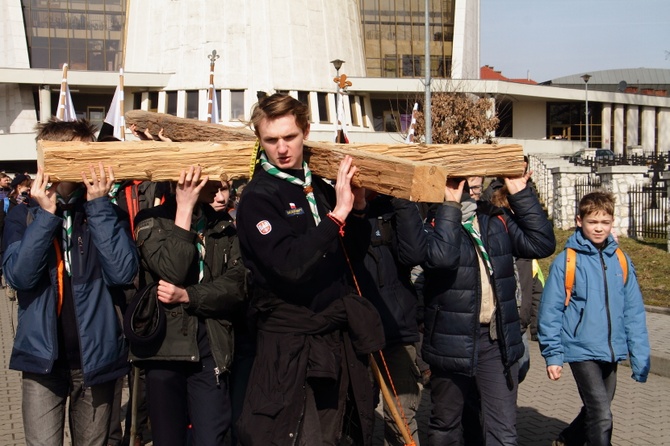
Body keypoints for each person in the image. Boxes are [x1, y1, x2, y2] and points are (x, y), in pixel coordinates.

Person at [235, 93, 384, 446]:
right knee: (299, 438)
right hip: (288, 344)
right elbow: (290, 265)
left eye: (290, 137)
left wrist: (358, 209)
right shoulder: (258, 197)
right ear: (260, 141)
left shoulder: (316, 185)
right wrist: (338, 215)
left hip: (333, 336)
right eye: (271, 140)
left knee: (335, 435)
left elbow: (350, 254)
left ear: (306, 131)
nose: (282, 148)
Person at [2, 118, 138, 446]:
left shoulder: (106, 212)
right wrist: (46, 217)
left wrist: (99, 207)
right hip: (42, 359)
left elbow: (123, 273)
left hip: (97, 358)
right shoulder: (24, 215)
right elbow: (19, 276)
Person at [422, 173, 555, 446]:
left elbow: (541, 243)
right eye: (464, 179)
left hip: (496, 340)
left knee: (503, 432)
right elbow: (443, 258)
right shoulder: (433, 222)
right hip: (451, 341)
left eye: (477, 178)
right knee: (446, 428)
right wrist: (451, 207)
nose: (473, 183)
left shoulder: (495, 219)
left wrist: (520, 192)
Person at [130, 165, 247, 446]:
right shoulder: (151, 220)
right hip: (165, 351)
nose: (221, 187)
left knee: (212, 438)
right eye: (213, 178)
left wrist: (189, 296)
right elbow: (172, 270)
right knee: (168, 439)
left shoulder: (221, 226)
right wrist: (183, 210)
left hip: (210, 350)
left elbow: (237, 286)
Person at [537, 190, 650, 446]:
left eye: (604, 222)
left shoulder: (621, 260)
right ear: (579, 221)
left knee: (597, 408)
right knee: (602, 414)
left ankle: (568, 439)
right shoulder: (567, 261)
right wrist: (553, 355)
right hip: (580, 349)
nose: (599, 229)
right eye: (592, 222)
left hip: (611, 349)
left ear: (612, 223)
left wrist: (640, 356)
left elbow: (633, 311)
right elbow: (550, 312)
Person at [354, 193, 427, 446]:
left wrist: (401, 199)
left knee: (402, 419)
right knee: (356, 418)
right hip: (354, 333)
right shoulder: (335, 201)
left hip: (396, 330)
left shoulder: (394, 207)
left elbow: (415, 253)